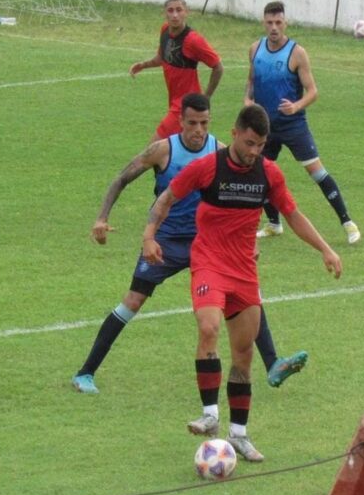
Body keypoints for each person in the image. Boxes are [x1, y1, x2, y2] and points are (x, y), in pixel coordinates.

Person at [142, 104, 342, 462]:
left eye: (260, 145)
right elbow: (167, 198)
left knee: (244, 355)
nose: (254, 152)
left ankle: (239, 435)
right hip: (208, 264)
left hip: (244, 272)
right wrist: (149, 236)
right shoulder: (207, 167)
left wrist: (326, 249)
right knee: (208, 326)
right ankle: (209, 415)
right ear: (234, 133)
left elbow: (293, 215)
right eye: (249, 143)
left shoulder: (269, 174)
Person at [72, 94, 308, 395]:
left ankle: (273, 362)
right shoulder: (162, 150)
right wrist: (101, 218)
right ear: (181, 121)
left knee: (247, 296)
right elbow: (122, 178)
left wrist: (246, 242)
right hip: (166, 242)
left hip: (208, 243)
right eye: (193, 123)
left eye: (205, 123)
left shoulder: (222, 151)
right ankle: (85, 373)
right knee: (133, 301)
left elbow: (247, 192)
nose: (199, 130)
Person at [244, 1, 361, 245]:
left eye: (278, 22)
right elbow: (251, 82)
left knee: (317, 173)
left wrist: (296, 106)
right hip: (266, 128)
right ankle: (274, 224)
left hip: (293, 126)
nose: (274, 27)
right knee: (258, 171)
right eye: (269, 22)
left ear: (285, 23)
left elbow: (312, 91)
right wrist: (248, 100)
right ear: (263, 23)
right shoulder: (255, 49)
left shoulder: (297, 53)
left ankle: (348, 223)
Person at [129, 0, 223, 143]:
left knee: (153, 148)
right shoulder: (165, 30)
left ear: (186, 12)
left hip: (184, 105)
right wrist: (143, 65)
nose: (175, 15)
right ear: (164, 13)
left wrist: (205, 98)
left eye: (179, 10)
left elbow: (218, 66)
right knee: (186, 148)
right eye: (170, 10)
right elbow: (162, 57)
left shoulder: (193, 40)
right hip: (174, 101)